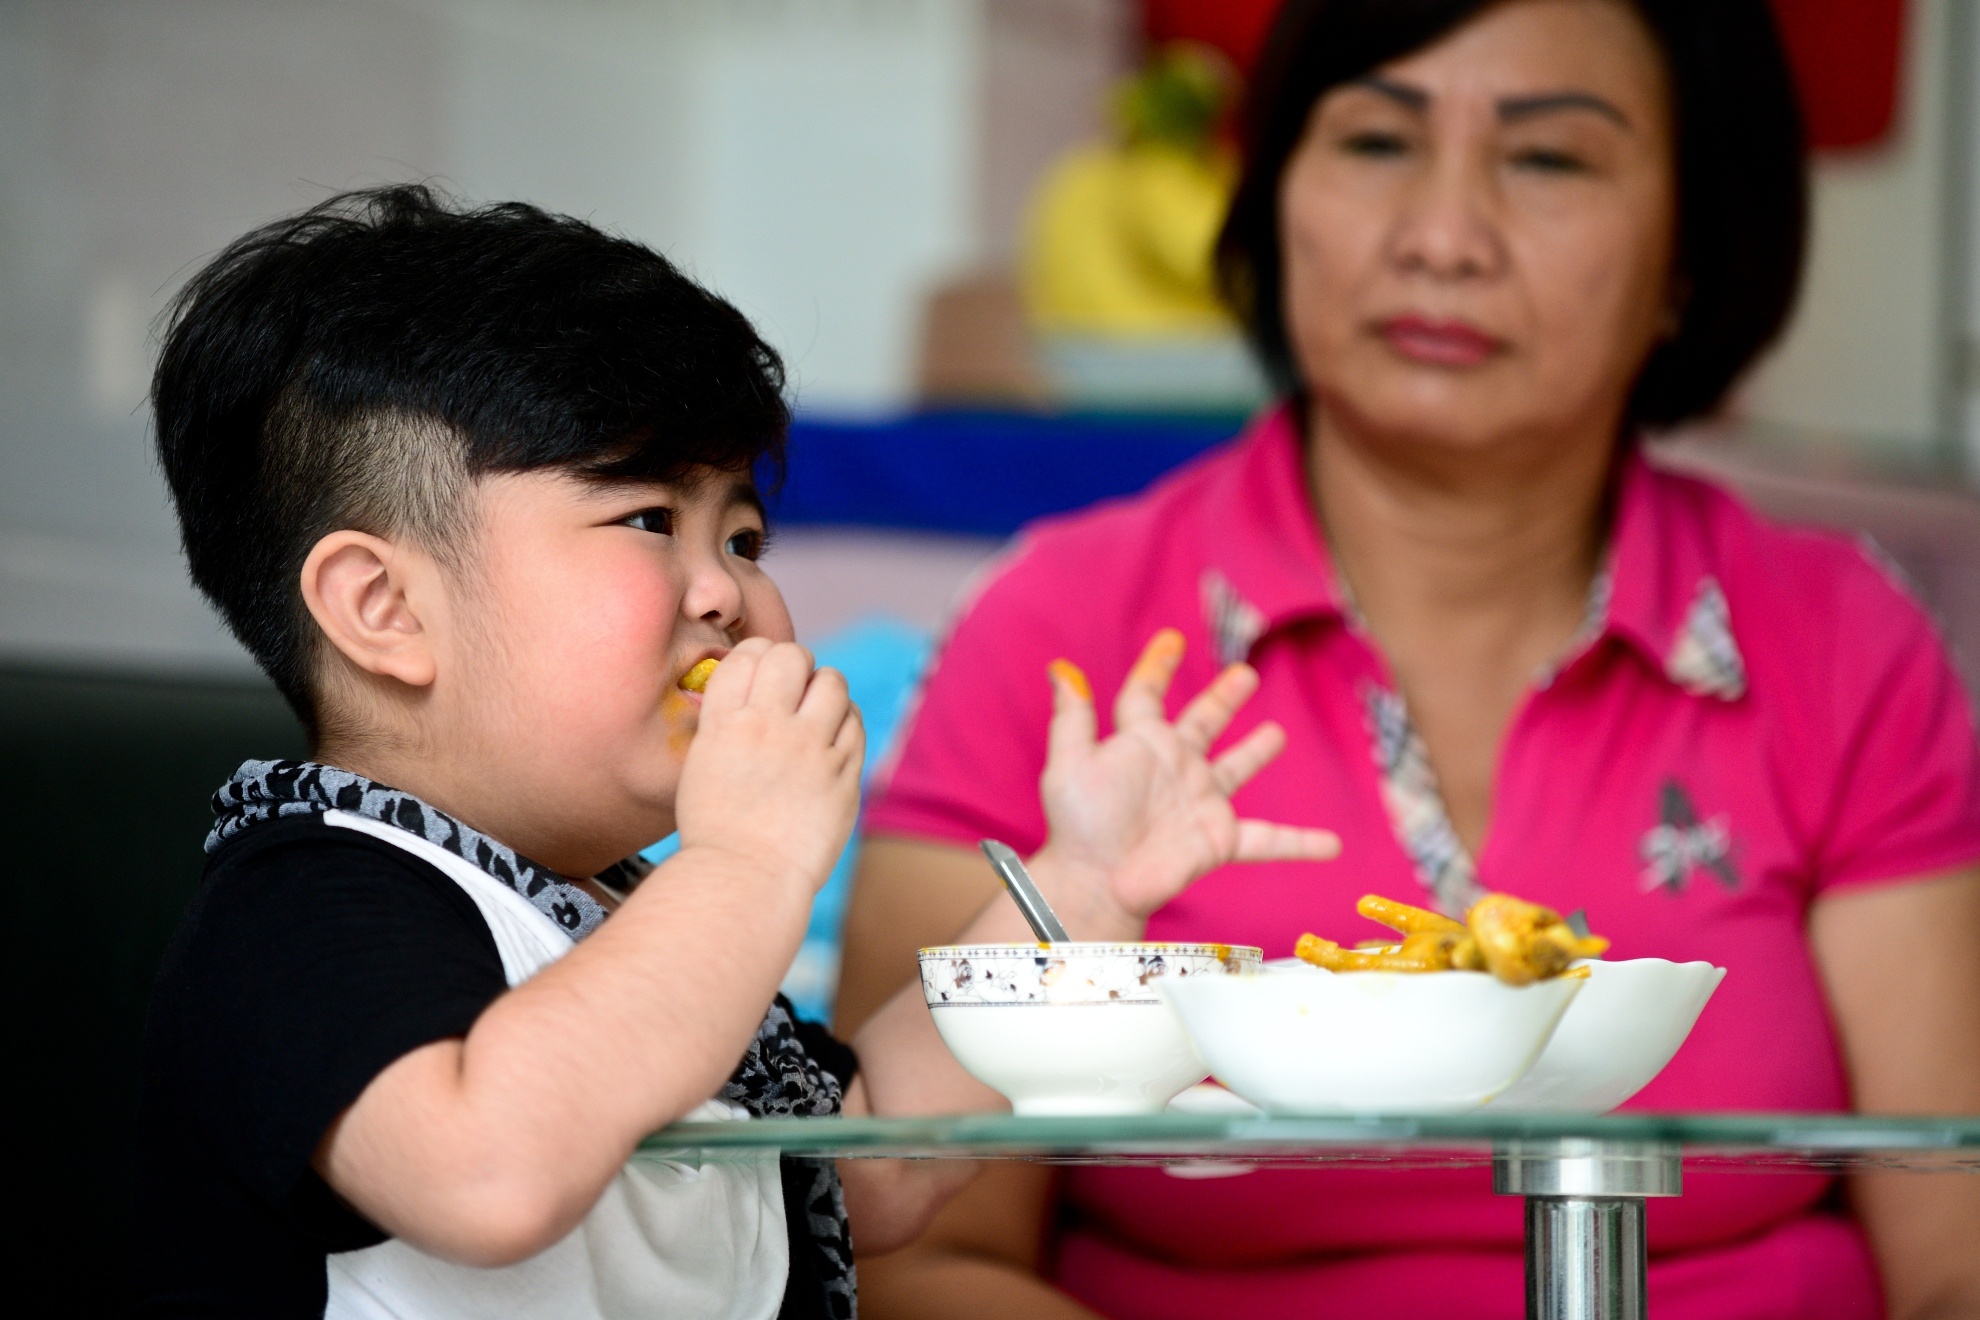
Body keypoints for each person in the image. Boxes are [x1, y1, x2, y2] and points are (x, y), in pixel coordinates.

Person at [836, 1, 1980, 1317]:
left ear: (1691, 250)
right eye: (1377, 141)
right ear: (1274, 199)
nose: (1442, 237)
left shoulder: (1844, 639)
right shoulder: (1063, 627)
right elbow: (910, 1248)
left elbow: (1955, 1262)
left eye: (1548, 159)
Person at [131, 186, 1337, 1319]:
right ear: (385, 610)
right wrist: (749, 864)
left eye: (746, 533)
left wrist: (1077, 889)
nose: (730, 592)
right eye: (649, 520)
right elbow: (487, 1174)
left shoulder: (627, 915)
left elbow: (872, 1166)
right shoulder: (304, 903)